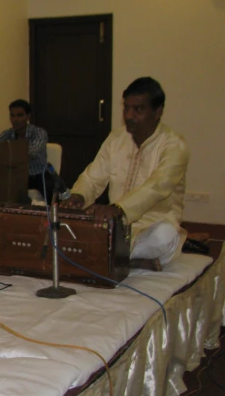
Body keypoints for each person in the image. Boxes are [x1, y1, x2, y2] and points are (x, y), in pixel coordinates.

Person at [61, 77, 189, 270]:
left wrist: (119, 209)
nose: (129, 115)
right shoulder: (116, 139)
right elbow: (92, 177)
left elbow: (156, 187)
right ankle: (123, 259)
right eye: (126, 108)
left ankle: (110, 256)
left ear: (158, 112)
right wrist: (79, 196)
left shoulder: (174, 145)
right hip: (112, 227)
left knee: (164, 237)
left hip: (151, 227)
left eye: (138, 109)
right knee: (67, 226)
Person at [0, 99, 53, 203]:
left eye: (20, 115)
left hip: (38, 175)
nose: (15, 119)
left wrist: (8, 155)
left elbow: (30, 153)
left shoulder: (39, 133)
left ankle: (52, 216)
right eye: (12, 116)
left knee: (50, 188)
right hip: (16, 175)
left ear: (28, 117)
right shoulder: (7, 134)